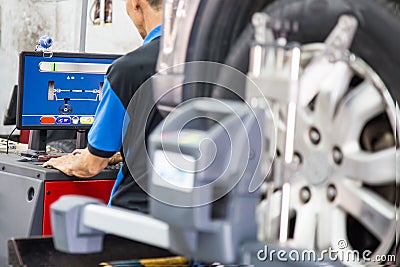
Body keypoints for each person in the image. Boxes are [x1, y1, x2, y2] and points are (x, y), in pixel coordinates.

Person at [44, 0, 163, 212]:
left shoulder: (128, 70)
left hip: (138, 217)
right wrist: (121, 154)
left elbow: (92, 165)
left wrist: (66, 162)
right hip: (204, 220)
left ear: (136, 4)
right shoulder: (216, 61)